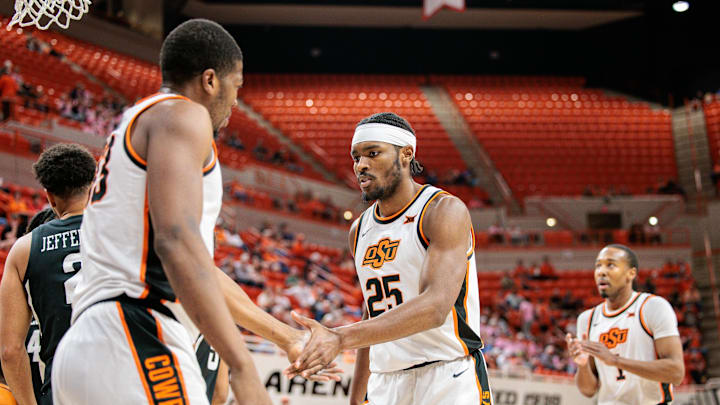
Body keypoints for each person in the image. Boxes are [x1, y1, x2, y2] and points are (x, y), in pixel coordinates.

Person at [51, 19, 335, 405]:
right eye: (236, 84)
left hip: (94, 343)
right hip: (135, 334)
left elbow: (196, 262)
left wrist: (285, 336)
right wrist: (242, 366)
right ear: (210, 80)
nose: (236, 100)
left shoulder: (137, 123)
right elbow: (177, 242)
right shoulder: (181, 114)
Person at [286, 112, 492, 405]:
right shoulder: (359, 229)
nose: (361, 166)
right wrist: (356, 399)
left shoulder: (442, 210)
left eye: (373, 153)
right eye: (356, 157)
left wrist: (340, 338)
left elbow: (435, 307)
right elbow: (372, 316)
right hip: (385, 382)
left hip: (447, 377)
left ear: (406, 154)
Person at [0, 145, 96, 405]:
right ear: (93, 186)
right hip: (119, 378)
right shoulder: (123, 234)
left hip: (61, 384)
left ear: (49, 197)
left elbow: (9, 351)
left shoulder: (23, 249)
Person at [566, 244, 684, 404]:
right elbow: (588, 391)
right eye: (598, 266)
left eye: (611, 265)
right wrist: (582, 365)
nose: (601, 271)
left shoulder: (652, 307)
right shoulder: (587, 319)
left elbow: (676, 373)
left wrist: (615, 361)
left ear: (631, 273)